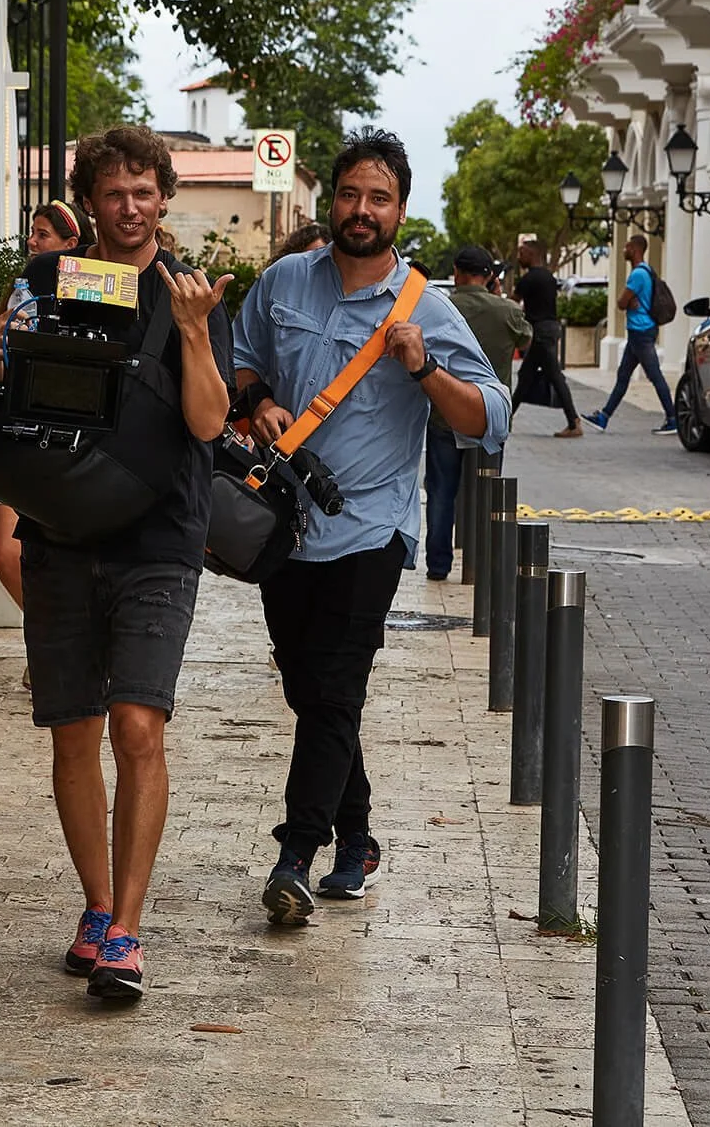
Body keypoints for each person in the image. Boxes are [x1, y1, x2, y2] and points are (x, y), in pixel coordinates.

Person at [0, 125, 235, 1001]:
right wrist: (1, 337)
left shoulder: (190, 294)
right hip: (62, 528)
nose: (130, 207)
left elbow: (206, 423)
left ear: (165, 197)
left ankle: (127, 928)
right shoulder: (48, 279)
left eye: (144, 191)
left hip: (158, 537)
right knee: (75, 730)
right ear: (90, 201)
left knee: (138, 726)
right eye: (114, 193)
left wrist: (195, 333)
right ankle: (94, 908)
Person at [232, 129, 511, 923]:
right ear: (333, 200)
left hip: (370, 529)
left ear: (400, 209)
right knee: (308, 685)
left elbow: (492, 417)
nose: (362, 209)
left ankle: (296, 853)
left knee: (334, 689)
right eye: (351, 193)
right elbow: (242, 358)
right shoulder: (286, 279)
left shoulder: (428, 307)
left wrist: (424, 366)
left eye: (378, 197)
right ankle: (357, 837)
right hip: (282, 524)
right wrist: (257, 402)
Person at [0, 200, 95, 611]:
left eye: (43, 235)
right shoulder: (22, 286)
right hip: (14, 434)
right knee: (3, 551)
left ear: (71, 245)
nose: (32, 242)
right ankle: (47, 640)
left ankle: (58, 648)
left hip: (65, 447)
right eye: (31, 233)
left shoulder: (89, 292)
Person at [422, 245, 531, 583]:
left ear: (456, 271)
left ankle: (438, 566)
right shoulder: (506, 311)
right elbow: (526, 340)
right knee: (488, 494)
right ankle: (481, 564)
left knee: (440, 492)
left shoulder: (441, 306)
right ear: (490, 277)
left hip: (444, 415)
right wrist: (497, 296)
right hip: (488, 418)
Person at [582, 234, 676, 435]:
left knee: (655, 375)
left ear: (635, 249)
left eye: (626, 247)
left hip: (641, 332)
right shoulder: (647, 271)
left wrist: (626, 301)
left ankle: (673, 418)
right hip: (638, 332)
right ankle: (603, 417)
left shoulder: (638, 275)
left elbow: (621, 302)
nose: (624, 250)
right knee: (623, 376)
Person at [511, 239, 584, 439]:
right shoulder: (549, 278)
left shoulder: (529, 279)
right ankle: (505, 419)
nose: (519, 257)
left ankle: (574, 421)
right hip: (549, 329)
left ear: (532, 254)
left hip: (540, 333)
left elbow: (512, 302)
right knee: (525, 376)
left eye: (522, 253)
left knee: (554, 376)